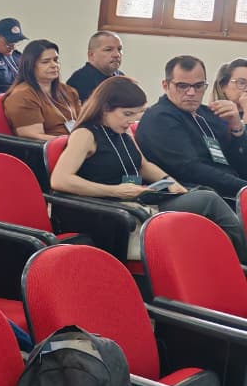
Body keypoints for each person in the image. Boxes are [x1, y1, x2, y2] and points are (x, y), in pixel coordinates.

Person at [52, 76, 247, 263]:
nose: (131, 121)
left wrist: (170, 182)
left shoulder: (122, 130)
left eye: (135, 114)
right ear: (105, 109)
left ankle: (234, 261)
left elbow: (143, 165)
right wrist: (114, 190)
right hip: (110, 211)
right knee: (208, 201)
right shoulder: (85, 134)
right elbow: (60, 180)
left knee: (206, 196)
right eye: (127, 114)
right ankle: (241, 261)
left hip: (136, 201)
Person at [137, 55, 247, 199]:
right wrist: (243, 187)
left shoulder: (209, 113)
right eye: (182, 86)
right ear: (166, 85)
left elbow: (233, 160)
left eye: (198, 86)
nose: (191, 93)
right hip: (195, 193)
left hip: (230, 190)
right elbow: (190, 169)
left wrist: (237, 128)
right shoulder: (160, 117)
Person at [2, 39, 81, 140]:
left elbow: (84, 122)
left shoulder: (68, 91)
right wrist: (75, 142)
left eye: (56, 60)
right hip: (51, 150)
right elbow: (34, 137)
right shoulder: (22, 96)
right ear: (30, 66)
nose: (54, 65)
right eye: (45, 62)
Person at [67, 31, 124, 102]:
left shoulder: (122, 78)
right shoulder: (79, 81)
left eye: (119, 49)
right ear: (91, 55)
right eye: (108, 50)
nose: (117, 54)